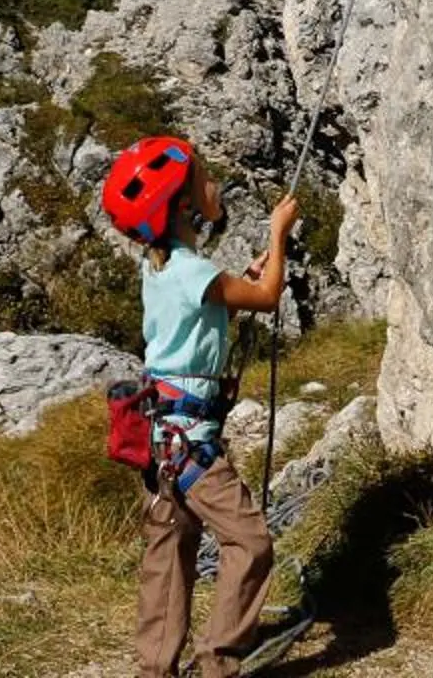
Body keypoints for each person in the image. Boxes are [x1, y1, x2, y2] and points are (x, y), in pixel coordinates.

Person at [102, 136, 302, 678]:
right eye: (206, 179)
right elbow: (264, 299)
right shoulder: (192, 273)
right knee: (251, 542)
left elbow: (208, 310)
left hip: (163, 440)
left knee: (169, 554)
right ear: (183, 204)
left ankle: (155, 669)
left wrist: (249, 270)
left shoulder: (163, 267)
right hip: (190, 441)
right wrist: (278, 236)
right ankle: (217, 662)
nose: (215, 186)